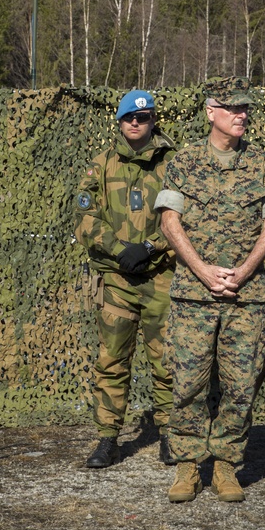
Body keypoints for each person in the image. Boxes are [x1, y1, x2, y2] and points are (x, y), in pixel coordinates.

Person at [154, 76, 265, 503]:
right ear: (211, 112)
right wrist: (202, 270)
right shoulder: (183, 162)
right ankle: (188, 466)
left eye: (245, 108)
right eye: (232, 108)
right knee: (188, 382)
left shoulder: (264, 165)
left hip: (246, 298)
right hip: (194, 295)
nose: (241, 115)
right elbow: (169, 221)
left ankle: (227, 465)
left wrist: (245, 270)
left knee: (240, 384)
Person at [74, 89, 177, 468]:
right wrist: (119, 250)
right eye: (129, 118)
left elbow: (186, 220)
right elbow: (85, 218)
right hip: (116, 279)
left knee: (167, 362)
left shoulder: (174, 164)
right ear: (119, 121)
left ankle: (170, 435)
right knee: (112, 360)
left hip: (163, 277)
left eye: (144, 117)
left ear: (153, 121)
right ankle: (107, 439)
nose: (136, 123)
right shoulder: (101, 165)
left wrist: (149, 248)